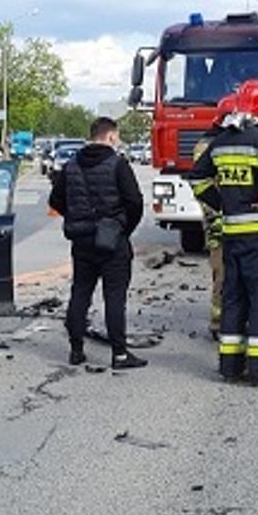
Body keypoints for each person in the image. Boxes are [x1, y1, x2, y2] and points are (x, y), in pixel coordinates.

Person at [189, 79, 258, 386]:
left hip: (232, 234)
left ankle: (230, 365)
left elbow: (197, 178)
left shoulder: (220, 142)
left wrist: (222, 203)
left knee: (233, 298)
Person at [48, 117, 148, 370]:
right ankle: (120, 354)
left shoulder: (71, 166)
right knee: (114, 297)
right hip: (112, 240)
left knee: (80, 291)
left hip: (81, 240)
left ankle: (76, 349)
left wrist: (76, 216)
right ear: (111, 136)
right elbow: (134, 201)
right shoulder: (118, 164)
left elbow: (56, 199)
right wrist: (123, 228)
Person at [195, 94, 238, 340]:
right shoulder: (208, 146)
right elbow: (203, 185)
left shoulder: (222, 141)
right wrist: (218, 213)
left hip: (230, 216)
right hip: (219, 220)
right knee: (222, 272)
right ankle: (218, 323)